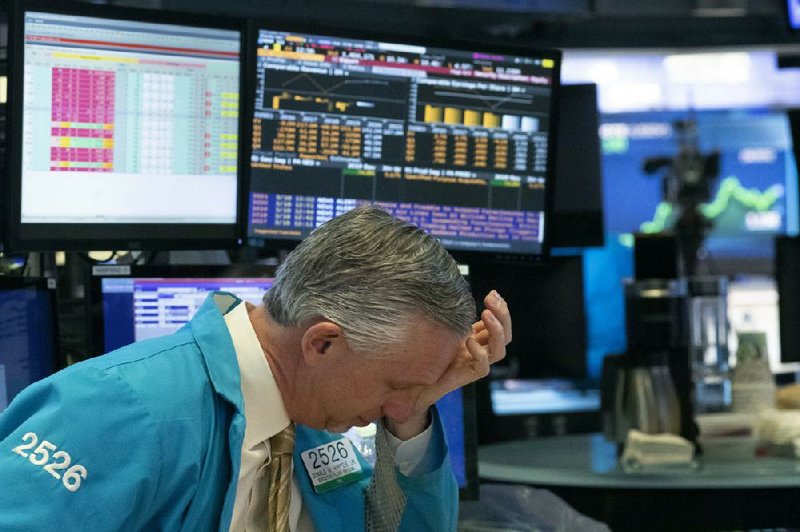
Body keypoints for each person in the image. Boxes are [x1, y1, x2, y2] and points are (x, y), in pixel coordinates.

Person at [0, 205, 511, 531]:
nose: (394, 408)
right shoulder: (116, 408)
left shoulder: (314, 411)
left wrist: (411, 416)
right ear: (323, 343)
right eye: (396, 385)